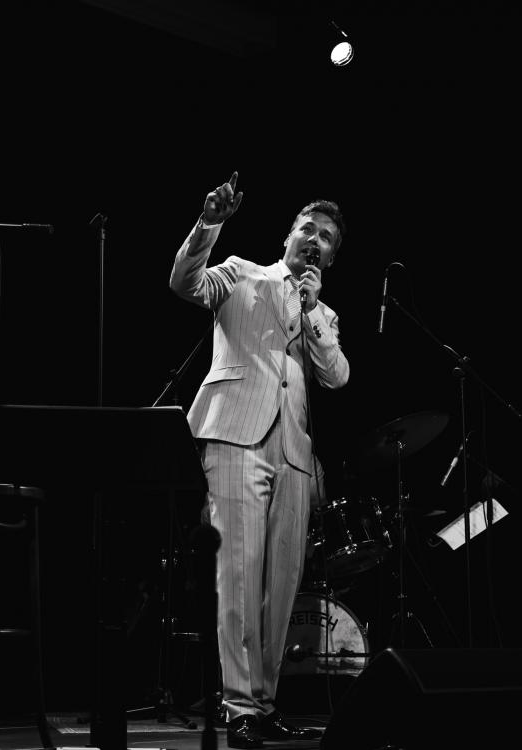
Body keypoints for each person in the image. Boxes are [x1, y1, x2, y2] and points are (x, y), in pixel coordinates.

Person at [169, 172, 349, 748]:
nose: (315, 240)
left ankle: (265, 705)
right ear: (288, 236)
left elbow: (336, 376)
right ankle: (240, 705)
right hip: (236, 435)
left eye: (326, 238)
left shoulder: (322, 314)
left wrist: (313, 310)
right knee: (240, 575)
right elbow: (185, 283)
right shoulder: (243, 272)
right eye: (308, 229)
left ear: (330, 258)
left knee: (282, 584)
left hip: (293, 453)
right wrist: (209, 223)